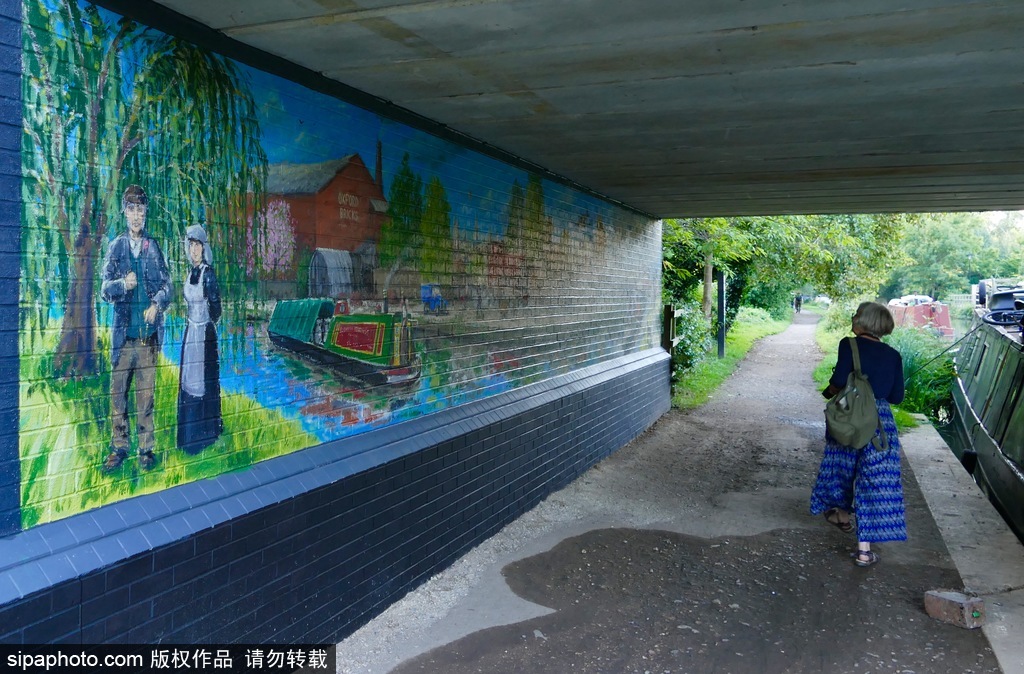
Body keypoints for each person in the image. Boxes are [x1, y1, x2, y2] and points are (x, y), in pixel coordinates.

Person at [810, 301, 906, 567]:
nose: (853, 318)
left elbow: (839, 381)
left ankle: (839, 513)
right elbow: (896, 396)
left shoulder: (848, 345)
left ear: (864, 322)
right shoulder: (893, 355)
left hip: (850, 417)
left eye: (857, 315)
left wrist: (828, 393)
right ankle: (864, 549)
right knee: (873, 479)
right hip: (880, 424)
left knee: (841, 466)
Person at [100, 185, 172, 472]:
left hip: (146, 340)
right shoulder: (116, 247)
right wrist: (122, 285)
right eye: (131, 209)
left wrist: (157, 303)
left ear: (145, 213)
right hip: (122, 339)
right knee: (118, 397)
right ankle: (119, 449)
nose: (136, 215)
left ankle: (146, 450)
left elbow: (169, 286)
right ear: (125, 212)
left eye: (141, 210)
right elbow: (105, 290)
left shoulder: (152, 247)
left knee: (146, 397)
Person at [177, 224, 223, 453]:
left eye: (198, 245)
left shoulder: (209, 274)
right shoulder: (189, 273)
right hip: (190, 333)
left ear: (204, 248)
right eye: (191, 245)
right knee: (188, 381)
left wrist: (204, 319)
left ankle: (205, 434)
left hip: (204, 334)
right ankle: (188, 434)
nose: (194, 250)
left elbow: (216, 310)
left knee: (203, 383)